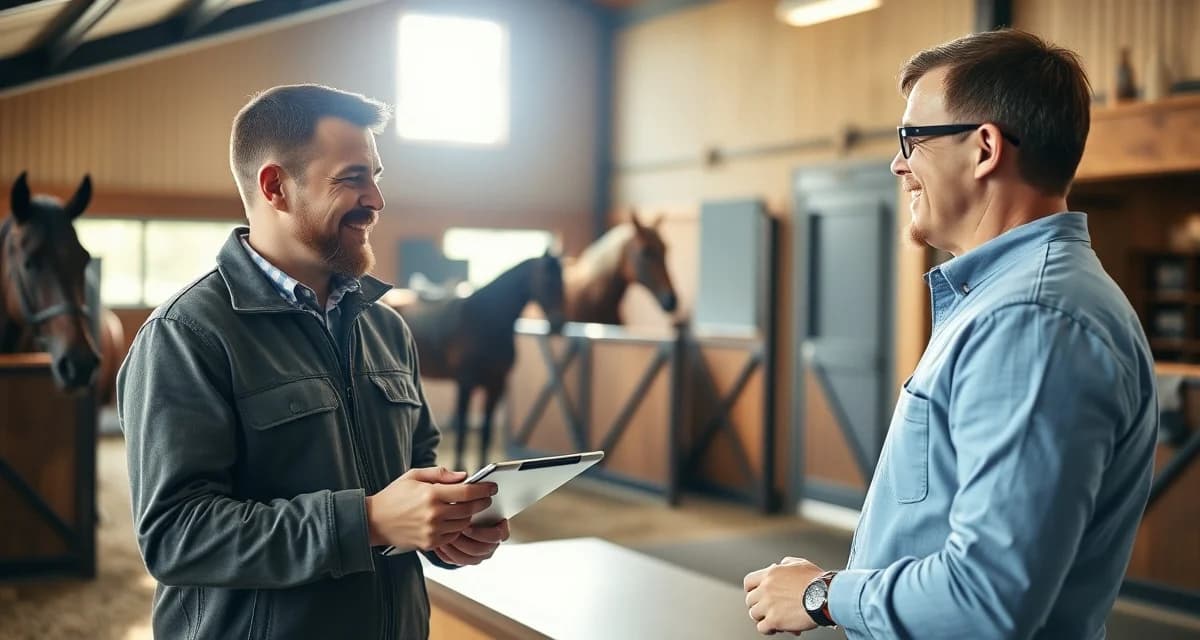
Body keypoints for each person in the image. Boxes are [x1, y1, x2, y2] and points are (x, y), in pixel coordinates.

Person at [744, 29, 1157, 639]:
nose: (898, 162)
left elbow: (987, 596)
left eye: (912, 138)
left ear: (985, 148)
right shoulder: (1012, 302)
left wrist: (820, 594)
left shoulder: (1031, 321)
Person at [118, 84, 508, 640]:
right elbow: (176, 536)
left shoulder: (386, 328)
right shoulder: (186, 336)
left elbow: (416, 473)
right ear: (276, 187)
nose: (376, 198)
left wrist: (447, 529)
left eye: (376, 175)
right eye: (353, 177)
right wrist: (366, 521)